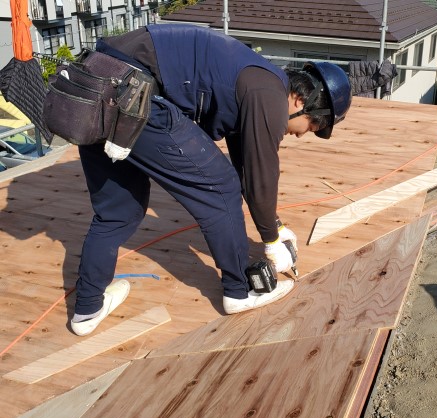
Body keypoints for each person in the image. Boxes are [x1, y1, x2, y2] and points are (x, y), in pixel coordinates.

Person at [68, 24, 352, 336]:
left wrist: (276, 225)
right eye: (310, 127)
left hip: (92, 83)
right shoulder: (270, 95)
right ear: (300, 100)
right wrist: (270, 238)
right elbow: (259, 172)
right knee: (220, 187)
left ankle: (87, 308)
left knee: (118, 210)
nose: (300, 135)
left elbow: (247, 163)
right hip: (133, 90)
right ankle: (240, 291)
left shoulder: (257, 81)